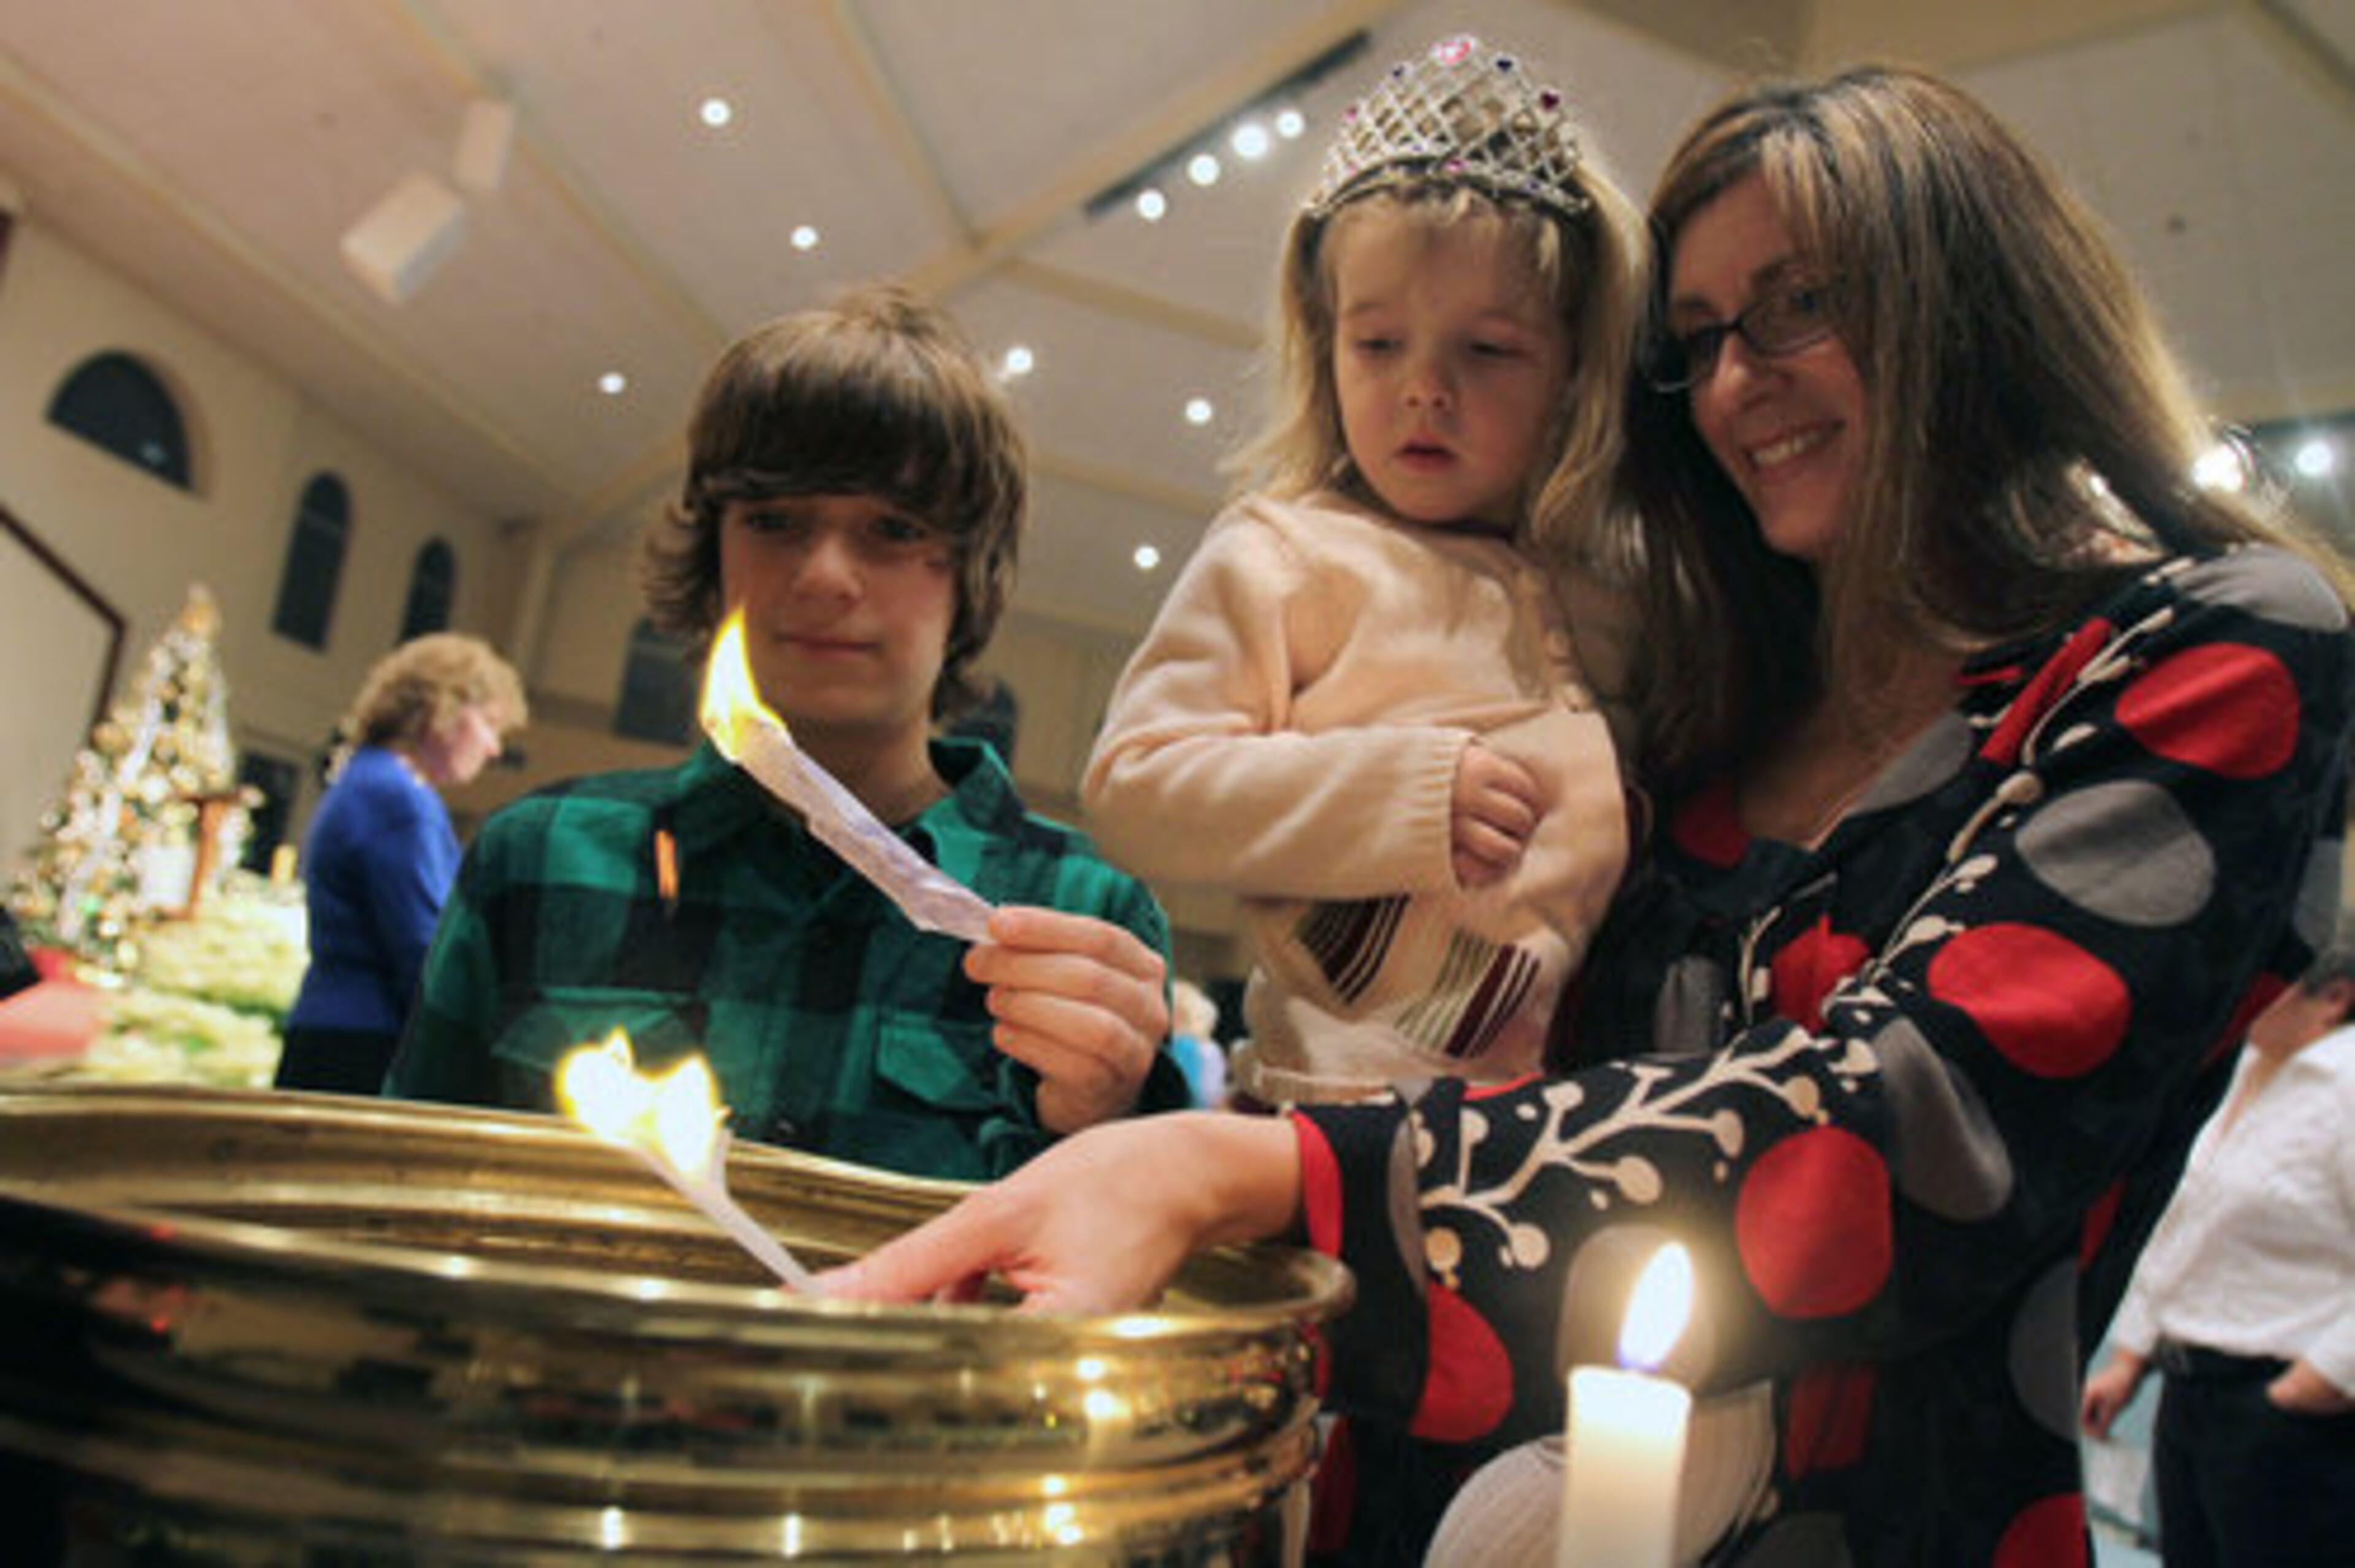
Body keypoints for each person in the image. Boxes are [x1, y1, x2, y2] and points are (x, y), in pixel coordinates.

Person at [822, 66, 2355, 1568]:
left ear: (1969, 300)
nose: (1740, 380)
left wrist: (1262, 1173)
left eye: (1800, 302)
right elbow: (1475, 1052)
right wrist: (1136, 1102)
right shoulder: (1695, 694)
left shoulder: (2202, 641)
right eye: (1695, 339)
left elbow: (1912, 1131)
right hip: (1440, 1477)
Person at [386, 286, 1190, 1181]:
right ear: (715, 543)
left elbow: (1122, 1280)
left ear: (969, 573)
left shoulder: (1079, 918)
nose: (822, 575)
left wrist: (1106, 1120)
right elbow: (408, 1195)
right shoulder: (541, 858)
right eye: (774, 521)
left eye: (893, 529)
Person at [1082, 33, 1641, 1108]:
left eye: (1488, 350)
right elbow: (1136, 787)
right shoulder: (1287, 553)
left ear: (1573, 373)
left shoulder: (1613, 594)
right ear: (1323, 343)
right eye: (1379, 344)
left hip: (1562, 1123)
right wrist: (1395, 794)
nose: (1424, 388)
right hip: (1323, 1116)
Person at [2079, 920, 2355, 1566]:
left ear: (2333, 998)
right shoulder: (2249, 1063)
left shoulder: (2345, 1086)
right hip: (2191, 1385)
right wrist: (2132, 1352)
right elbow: (2188, 1217)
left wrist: (2317, 1384)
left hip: (2291, 1404)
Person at [274, 633, 526, 1095]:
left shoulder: (365, 777)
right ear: (442, 709)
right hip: (364, 1045)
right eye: (489, 724)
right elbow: (427, 953)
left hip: (328, 1026)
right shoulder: (400, 800)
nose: (493, 748)